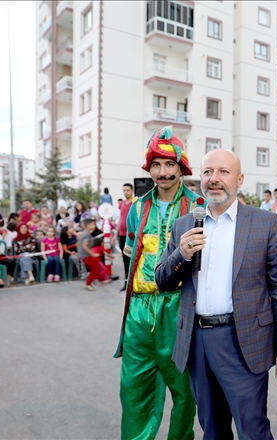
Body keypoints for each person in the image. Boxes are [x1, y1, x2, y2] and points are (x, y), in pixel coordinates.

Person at [155, 148, 277, 440]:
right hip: (197, 343)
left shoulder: (264, 223)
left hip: (243, 341)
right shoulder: (185, 225)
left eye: (223, 172)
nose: (214, 179)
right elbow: (162, 280)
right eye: (208, 172)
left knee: (252, 430)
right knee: (212, 429)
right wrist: (181, 254)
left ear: (240, 178)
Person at [113, 127, 200, 440]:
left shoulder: (197, 206)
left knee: (184, 390)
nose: (163, 173)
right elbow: (132, 252)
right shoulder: (136, 208)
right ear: (149, 169)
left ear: (180, 167)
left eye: (169, 164)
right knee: (134, 389)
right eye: (156, 165)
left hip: (179, 308)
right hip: (139, 310)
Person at [78, 218, 111, 291]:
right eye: (93, 224)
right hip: (85, 255)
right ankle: (87, 284)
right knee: (95, 267)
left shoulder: (86, 233)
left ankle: (101, 280)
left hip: (84, 254)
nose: (94, 225)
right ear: (88, 225)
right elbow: (85, 246)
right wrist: (93, 254)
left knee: (96, 266)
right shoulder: (86, 234)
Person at [115, 183, 135, 292]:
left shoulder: (135, 203)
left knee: (132, 259)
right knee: (125, 260)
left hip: (131, 236)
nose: (126, 192)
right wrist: (115, 234)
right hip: (122, 235)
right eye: (124, 190)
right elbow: (120, 220)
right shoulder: (122, 204)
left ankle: (133, 282)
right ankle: (126, 283)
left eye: (128, 190)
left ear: (132, 191)